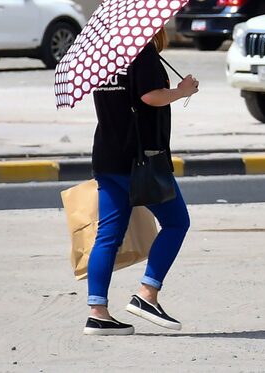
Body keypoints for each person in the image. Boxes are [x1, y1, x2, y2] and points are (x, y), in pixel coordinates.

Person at [83, 27, 199, 336]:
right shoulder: (140, 50)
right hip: (140, 159)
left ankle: (97, 313)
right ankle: (147, 294)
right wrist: (183, 91)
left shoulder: (105, 54)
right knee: (177, 222)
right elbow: (151, 96)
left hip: (107, 155)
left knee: (107, 236)